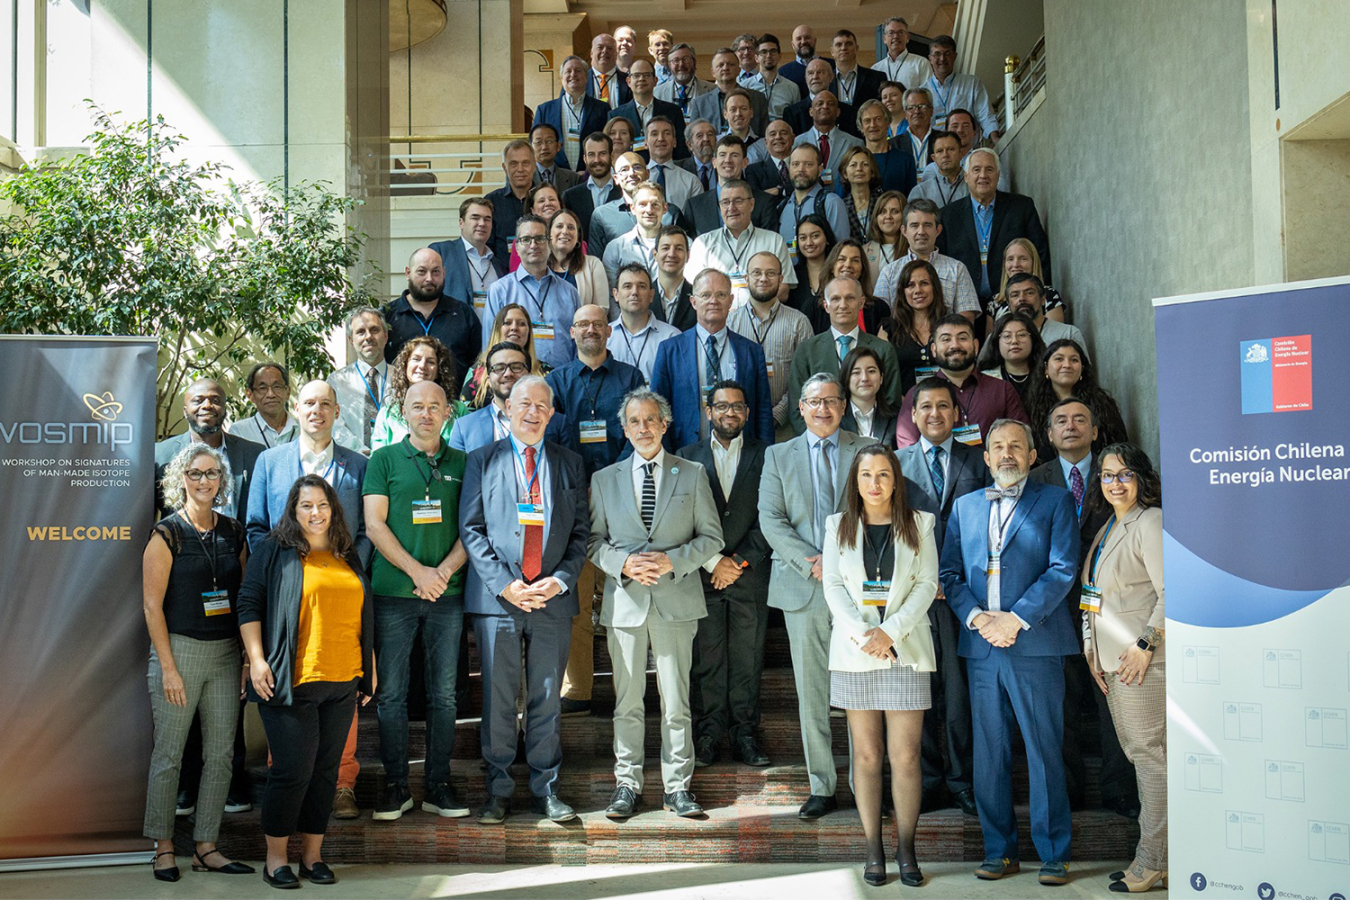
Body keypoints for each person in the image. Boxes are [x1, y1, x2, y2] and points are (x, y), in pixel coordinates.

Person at [940, 419, 1078, 886]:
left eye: (1015, 446)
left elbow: (1062, 570)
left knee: (1042, 751)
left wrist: (1014, 620)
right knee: (989, 752)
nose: (1006, 454)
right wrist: (980, 620)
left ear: (1032, 454)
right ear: (985, 456)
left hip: (1034, 644)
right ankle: (999, 851)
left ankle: (1054, 853)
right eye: (997, 446)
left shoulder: (1056, 501)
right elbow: (950, 574)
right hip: (981, 646)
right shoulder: (964, 507)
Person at [459, 376, 591, 825]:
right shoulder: (481, 460)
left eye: (541, 405)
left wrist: (560, 581)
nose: (532, 412)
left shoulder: (571, 463)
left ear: (551, 414)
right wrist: (504, 584)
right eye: (524, 404)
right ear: (507, 410)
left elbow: (580, 535)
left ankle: (546, 788)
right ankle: (497, 789)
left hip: (552, 598)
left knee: (547, 696)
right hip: (499, 599)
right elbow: (472, 531)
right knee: (498, 696)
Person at [590, 389, 724, 820]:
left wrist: (672, 561)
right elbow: (593, 542)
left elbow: (712, 539)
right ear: (624, 428)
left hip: (676, 600)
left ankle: (677, 786)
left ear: (665, 425)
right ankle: (626, 784)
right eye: (634, 421)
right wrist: (624, 562)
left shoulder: (693, 473)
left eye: (651, 420)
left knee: (676, 700)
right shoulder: (604, 479)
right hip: (626, 603)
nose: (643, 428)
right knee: (626, 701)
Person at [238, 475, 374, 889]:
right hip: (289, 681)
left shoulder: (346, 555)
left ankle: (313, 856)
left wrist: (370, 668)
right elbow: (248, 603)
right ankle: (276, 859)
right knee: (292, 771)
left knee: (325, 773)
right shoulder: (274, 551)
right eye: (306, 506)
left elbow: (362, 614)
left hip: (343, 680)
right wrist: (257, 660)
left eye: (322, 505)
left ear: (334, 509)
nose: (315, 513)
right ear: (292, 512)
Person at [245, 381, 371, 818]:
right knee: (288, 693)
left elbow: (363, 533)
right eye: (309, 403)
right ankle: (287, 779)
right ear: (296, 409)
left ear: (338, 412)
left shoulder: (359, 465)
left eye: (326, 404)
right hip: (286, 598)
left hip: (338, 597)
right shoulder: (269, 462)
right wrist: (285, 573)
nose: (317, 411)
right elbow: (257, 525)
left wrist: (348, 571)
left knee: (341, 687)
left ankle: (342, 784)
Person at [824, 444, 938, 887]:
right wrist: (864, 636)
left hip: (905, 651)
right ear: (856, 481)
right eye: (866, 475)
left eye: (884, 475)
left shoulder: (920, 523)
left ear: (896, 480)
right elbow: (833, 586)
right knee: (867, 755)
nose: (875, 483)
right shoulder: (838, 525)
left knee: (906, 756)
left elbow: (927, 584)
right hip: (856, 654)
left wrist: (890, 633)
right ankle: (873, 849)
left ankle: (906, 848)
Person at [760, 373, 872, 818]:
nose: (822, 408)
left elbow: (878, 510)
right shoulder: (777, 455)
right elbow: (771, 519)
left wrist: (844, 565)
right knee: (812, 691)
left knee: (862, 690)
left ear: (844, 407)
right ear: (800, 408)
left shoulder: (865, 449)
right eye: (813, 401)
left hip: (862, 589)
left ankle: (865, 782)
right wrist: (814, 561)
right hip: (803, 585)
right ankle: (822, 785)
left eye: (831, 401)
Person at [143, 444, 253, 883]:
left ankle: (207, 845)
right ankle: (164, 847)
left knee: (221, 755)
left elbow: (245, 598)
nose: (204, 480)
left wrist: (247, 658)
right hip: (180, 651)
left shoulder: (234, 532)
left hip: (227, 653)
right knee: (170, 754)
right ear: (179, 479)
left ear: (221, 481)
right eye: (194, 473)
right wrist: (168, 667)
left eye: (211, 473)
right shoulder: (166, 535)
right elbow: (152, 607)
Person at [364, 381, 471, 823]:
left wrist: (442, 573)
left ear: (449, 412)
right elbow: (374, 524)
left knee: (444, 696)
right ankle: (395, 786)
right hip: (394, 594)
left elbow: (475, 527)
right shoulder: (383, 459)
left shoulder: (465, 463)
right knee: (390, 694)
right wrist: (418, 572)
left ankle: (437, 785)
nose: (426, 413)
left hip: (448, 596)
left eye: (434, 406)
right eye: (417, 406)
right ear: (401, 413)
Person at [1030, 398, 1139, 819]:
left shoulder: (1114, 473)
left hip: (1110, 612)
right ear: (1050, 434)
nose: (1071, 426)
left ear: (1095, 431)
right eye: (1061, 420)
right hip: (1051, 613)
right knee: (1060, 709)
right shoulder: (1035, 478)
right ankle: (1069, 792)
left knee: (1112, 705)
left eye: (1080, 420)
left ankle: (1118, 791)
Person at [895, 376, 988, 817]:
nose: (934, 414)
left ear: (956, 413)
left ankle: (961, 780)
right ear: (913, 415)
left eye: (943, 407)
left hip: (963, 597)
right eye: (925, 407)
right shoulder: (895, 464)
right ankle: (929, 780)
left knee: (958, 693)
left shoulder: (979, 461)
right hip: (913, 600)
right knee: (919, 691)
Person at [546, 305, 646, 717]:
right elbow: (551, 434)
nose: (590, 330)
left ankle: (633, 689)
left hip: (623, 495)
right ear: (572, 332)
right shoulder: (556, 380)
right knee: (579, 596)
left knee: (626, 598)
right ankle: (579, 690)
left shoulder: (630, 377)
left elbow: (639, 429)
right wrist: (579, 482)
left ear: (609, 330)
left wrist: (610, 478)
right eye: (582, 324)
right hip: (572, 501)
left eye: (597, 324)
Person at [1083, 443, 1167, 895]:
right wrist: (1091, 651)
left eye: (1125, 474)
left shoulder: (1149, 522)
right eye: (1107, 475)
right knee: (1143, 756)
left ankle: (1152, 859)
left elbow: (1171, 592)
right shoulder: (1109, 527)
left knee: (1150, 758)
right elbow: (1094, 598)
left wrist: (1145, 645)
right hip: (1113, 665)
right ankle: (1165, 856)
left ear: (1142, 478)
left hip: (1141, 665)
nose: (1115, 483)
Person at [678, 380, 773, 768]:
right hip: (703, 575)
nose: (729, 413)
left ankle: (745, 734)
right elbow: (681, 518)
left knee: (749, 658)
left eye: (737, 406)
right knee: (707, 658)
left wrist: (739, 561)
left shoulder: (769, 455)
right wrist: (713, 561)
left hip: (749, 574)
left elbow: (774, 516)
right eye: (722, 406)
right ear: (709, 411)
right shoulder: (686, 456)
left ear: (748, 413)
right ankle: (708, 734)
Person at [649, 268, 774, 450]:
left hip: (741, 453)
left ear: (731, 301)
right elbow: (658, 409)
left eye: (721, 295)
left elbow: (762, 411)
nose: (713, 301)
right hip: (685, 452)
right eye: (705, 295)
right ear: (693, 301)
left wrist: (765, 456)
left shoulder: (751, 351)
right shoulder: (670, 350)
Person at [786, 275, 903, 434]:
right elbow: (796, 407)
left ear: (861, 303)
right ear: (826, 305)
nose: (843, 305)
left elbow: (892, 404)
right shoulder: (807, 350)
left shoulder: (882, 349)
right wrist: (818, 442)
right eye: (835, 299)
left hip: (872, 443)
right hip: (822, 443)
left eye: (850, 298)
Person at [894, 314, 1028, 448]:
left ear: (976, 346)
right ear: (934, 350)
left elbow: (1021, 439)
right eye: (946, 339)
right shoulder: (918, 394)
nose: (955, 345)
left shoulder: (1002, 390)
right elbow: (909, 452)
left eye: (962, 338)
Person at [938, 149, 1051, 303]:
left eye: (989, 169)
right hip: (966, 304)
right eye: (976, 170)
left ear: (997, 176)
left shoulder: (1021, 207)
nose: (983, 175)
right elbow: (943, 262)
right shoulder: (948, 215)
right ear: (966, 176)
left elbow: (1040, 254)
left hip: (1012, 301)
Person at [727, 251, 815, 441]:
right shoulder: (730, 323)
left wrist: (776, 415)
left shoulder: (799, 322)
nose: (763, 279)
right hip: (739, 427)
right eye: (756, 273)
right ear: (746, 278)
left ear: (781, 278)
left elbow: (806, 378)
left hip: (786, 429)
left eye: (771, 273)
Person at [482, 214, 583, 370]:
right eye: (526, 239)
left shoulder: (570, 292)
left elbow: (578, 344)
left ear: (549, 244)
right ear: (516, 246)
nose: (533, 245)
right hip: (515, 381)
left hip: (562, 382)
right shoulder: (500, 291)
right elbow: (490, 343)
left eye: (540, 239)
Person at [155, 379, 262, 521]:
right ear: (185, 411)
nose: (207, 406)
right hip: (179, 541)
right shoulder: (160, 454)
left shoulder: (254, 454)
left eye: (215, 400)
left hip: (238, 541)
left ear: (225, 409)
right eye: (198, 400)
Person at [684, 178, 795, 307]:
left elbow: (783, 290)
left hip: (762, 320)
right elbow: (698, 291)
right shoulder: (703, 244)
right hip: (719, 323)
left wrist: (747, 314)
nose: (731, 208)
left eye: (738, 201)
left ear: (752, 204)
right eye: (725, 202)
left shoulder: (774, 241)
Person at [384, 247, 481, 387]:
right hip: (402, 403)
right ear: (408, 273)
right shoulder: (388, 316)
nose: (429, 279)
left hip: (454, 405)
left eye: (435, 272)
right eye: (422, 271)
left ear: (444, 273)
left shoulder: (463, 314)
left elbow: (477, 365)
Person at [875, 198, 981, 322]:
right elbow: (879, 318)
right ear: (904, 231)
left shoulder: (957, 269)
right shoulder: (889, 272)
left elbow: (966, 318)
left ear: (938, 230)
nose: (921, 232)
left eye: (927, 225)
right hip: (899, 339)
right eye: (914, 225)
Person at [1024, 338, 1129, 462]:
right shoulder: (1031, 407)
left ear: (1082, 368)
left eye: (1074, 360)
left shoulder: (1102, 403)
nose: (1067, 365)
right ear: (1046, 368)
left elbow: (1119, 446)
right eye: (1059, 359)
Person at [590, 151, 694, 259]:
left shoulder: (670, 213)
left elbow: (685, 254)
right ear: (616, 179)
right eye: (624, 170)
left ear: (648, 173)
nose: (631, 173)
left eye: (637, 167)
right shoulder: (602, 215)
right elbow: (597, 260)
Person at [372, 336, 465, 451]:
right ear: (405, 366)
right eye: (416, 359)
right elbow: (378, 460)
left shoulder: (459, 411)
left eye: (430, 362)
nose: (422, 366)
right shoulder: (387, 415)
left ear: (438, 371)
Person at [683, 136, 779, 237]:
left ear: (745, 162)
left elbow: (769, 244)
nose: (728, 160)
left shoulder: (765, 202)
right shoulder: (694, 206)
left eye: (734, 155)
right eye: (722, 155)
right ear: (714, 162)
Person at [460, 303, 552, 409]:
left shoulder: (546, 372)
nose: (514, 328)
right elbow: (465, 415)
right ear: (497, 329)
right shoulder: (476, 373)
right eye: (507, 323)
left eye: (521, 324)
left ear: (529, 331)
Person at [880, 259, 949, 394]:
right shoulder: (888, 329)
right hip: (902, 406)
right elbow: (881, 375)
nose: (918, 290)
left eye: (924, 283)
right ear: (903, 291)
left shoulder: (949, 324)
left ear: (934, 287)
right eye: (910, 285)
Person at [429, 197, 507, 317]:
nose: (482, 223)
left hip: (493, 334)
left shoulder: (498, 265)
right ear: (461, 223)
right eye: (475, 218)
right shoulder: (442, 252)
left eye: (487, 219)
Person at [329, 307, 391, 456]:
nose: (368, 337)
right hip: (350, 460)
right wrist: (359, 451)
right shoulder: (336, 381)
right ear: (351, 340)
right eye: (360, 332)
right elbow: (333, 424)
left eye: (374, 330)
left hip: (393, 461)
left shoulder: (402, 379)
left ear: (386, 336)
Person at [607, 262, 682, 380]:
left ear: (651, 295)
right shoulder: (605, 337)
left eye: (641, 286)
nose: (634, 292)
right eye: (627, 286)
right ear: (615, 294)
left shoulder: (672, 337)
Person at [535, 57, 610, 171]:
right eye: (568, 71)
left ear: (586, 77)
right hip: (556, 176)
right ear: (562, 78)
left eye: (578, 71)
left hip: (590, 174)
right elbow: (535, 145)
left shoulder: (602, 109)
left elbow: (607, 144)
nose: (573, 75)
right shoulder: (544, 110)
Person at [778, 143, 851, 258]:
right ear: (789, 168)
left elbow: (842, 251)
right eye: (795, 164)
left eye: (808, 164)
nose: (801, 170)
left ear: (820, 169)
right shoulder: (782, 207)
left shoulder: (831, 203)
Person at [984, 237, 1068, 331]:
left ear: (1033, 262)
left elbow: (1055, 336)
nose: (1015, 264)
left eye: (1023, 259)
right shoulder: (994, 302)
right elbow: (991, 342)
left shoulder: (1049, 295)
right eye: (1010, 259)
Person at [610, 60, 688, 159]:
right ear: (628, 81)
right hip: (630, 169)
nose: (641, 79)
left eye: (646, 75)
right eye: (636, 75)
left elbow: (681, 150)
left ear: (655, 80)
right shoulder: (616, 115)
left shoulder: (673, 112)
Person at [924, 36, 999, 137]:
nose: (942, 59)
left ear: (955, 56)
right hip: (935, 149)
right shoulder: (923, 91)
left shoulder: (972, 83)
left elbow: (985, 115)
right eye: (937, 54)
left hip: (967, 148)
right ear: (930, 59)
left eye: (947, 54)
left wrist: (995, 139)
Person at [688, 49, 770, 137]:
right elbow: (693, 137)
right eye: (720, 65)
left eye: (730, 64)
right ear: (713, 72)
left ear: (739, 70)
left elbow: (764, 135)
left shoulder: (757, 98)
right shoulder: (699, 103)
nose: (725, 68)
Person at [791, 90, 864, 188]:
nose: (825, 106)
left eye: (831, 104)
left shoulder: (854, 143)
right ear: (811, 112)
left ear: (838, 112)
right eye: (820, 103)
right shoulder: (797, 143)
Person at [602, 180, 667, 287]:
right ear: (632, 208)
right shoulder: (616, 248)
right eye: (642, 204)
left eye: (655, 204)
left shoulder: (684, 245)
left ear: (665, 208)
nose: (649, 210)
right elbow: (612, 293)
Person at [484, 140, 540, 260]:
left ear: (534, 165)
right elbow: (486, 246)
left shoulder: (545, 199)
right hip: (501, 274)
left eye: (525, 163)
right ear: (504, 167)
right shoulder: (491, 201)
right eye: (513, 164)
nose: (520, 169)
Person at [560, 132, 622, 239]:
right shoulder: (571, 197)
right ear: (585, 158)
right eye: (591, 154)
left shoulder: (624, 193)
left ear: (611, 156)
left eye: (602, 153)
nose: (597, 160)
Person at [977, 311, 1046, 403]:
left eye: (1021, 335)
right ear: (997, 342)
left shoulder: (1046, 375)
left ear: (1033, 339)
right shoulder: (985, 379)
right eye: (1007, 336)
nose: (1014, 341)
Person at [822, 238, 890, 331]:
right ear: (832, 267)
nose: (848, 265)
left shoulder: (879, 308)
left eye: (855, 260)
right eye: (841, 259)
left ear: (862, 269)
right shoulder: (813, 308)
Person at [546, 207, 608, 308]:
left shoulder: (593, 265)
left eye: (571, 227)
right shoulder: (539, 266)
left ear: (578, 237)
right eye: (559, 226)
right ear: (549, 234)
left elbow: (602, 308)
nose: (565, 231)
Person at [786, 213, 838, 333]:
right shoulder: (793, 275)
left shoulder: (838, 273)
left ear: (827, 238)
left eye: (815, 236)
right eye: (803, 238)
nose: (809, 243)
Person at [855, 101, 919, 197]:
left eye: (878, 119)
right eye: (867, 121)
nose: (873, 125)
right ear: (861, 127)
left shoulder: (905, 159)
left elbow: (911, 200)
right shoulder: (852, 161)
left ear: (888, 123)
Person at [1006, 273, 1086, 348]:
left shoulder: (1068, 334)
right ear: (1008, 304)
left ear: (1043, 299)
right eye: (1015, 295)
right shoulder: (1002, 340)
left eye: (1029, 293)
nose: (1022, 299)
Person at [784, 59, 858, 140]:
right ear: (806, 79)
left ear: (831, 77)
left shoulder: (849, 113)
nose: (815, 77)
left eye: (820, 72)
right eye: (811, 73)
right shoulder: (792, 113)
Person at [839, 346, 898, 446]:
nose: (864, 378)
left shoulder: (896, 417)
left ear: (881, 378)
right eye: (856, 372)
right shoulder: (836, 418)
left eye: (871, 371)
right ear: (846, 378)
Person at [228, 363, 297, 448]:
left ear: (288, 392)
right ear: (250, 395)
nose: (271, 394)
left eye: (277, 387)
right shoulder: (239, 432)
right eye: (262, 388)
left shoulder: (305, 430)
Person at [641, 116, 701, 208]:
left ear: (674, 142)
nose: (661, 138)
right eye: (654, 134)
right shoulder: (637, 179)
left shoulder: (691, 181)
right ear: (645, 143)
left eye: (667, 133)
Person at [744, 33, 801, 119]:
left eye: (773, 51)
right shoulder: (745, 86)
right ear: (756, 58)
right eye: (763, 52)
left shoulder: (792, 88)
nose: (768, 56)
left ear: (780, 56)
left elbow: (796, 119)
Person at [652, 225, 697, 329]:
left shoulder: (699, 296)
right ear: (655, 255)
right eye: (665, 248)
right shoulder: (643, 296)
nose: (672, 254)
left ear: (688, 256)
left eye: (679, 248)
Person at [828, 29, 885, 108]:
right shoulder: (826, 80)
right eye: (839, 44)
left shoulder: (876, 78)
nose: (844, 48)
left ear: (856, 49)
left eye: (848, 44)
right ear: (832, 52)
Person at [908, 130, 967, 206]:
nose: (945, 155)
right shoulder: (921, 192)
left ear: (961, 153)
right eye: (940, 151)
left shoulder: (974, 186)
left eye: (951, 149)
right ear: (934, 158)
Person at [863, 190, 907, 291]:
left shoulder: (914, 249)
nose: (888, 216)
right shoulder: (864, 251)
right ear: (876, 217)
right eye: (883, 212)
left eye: (895, 211)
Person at [834, 146, 880, 242]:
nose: (859, 169)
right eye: (853, 165)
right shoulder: (841, 206)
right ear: (845, 174)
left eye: (865, 164)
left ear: (872, 172)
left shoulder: (882, 201)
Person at [654, 43, 715, 114]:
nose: (681, 64)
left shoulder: (712, 90)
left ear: (694, 62)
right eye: (676, 60)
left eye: (686, 59)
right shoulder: (657, 93)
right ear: (669, 65)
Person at [873, 17, 932, 89]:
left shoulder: (921, 63)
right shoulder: (876, 69)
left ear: (907, 37)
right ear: (884, 39)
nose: (895, 36)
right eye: (891, 33)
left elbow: (928, 94)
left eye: (900, 33)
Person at [779, 24, 834, 96]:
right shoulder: (783, 73)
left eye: (807, 37)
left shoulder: (832, 66)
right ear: (793, 45)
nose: (803, 42)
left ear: (815, 41)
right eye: (798, 39)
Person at [745, 119, 795, 196]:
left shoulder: (804, 165)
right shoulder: (754, 171)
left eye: (783, 133)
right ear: (766, 142)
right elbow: (756, 200)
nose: (778, 137)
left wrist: (780, 190)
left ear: (793, 139)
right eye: (773, 134)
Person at [530, 123, 581, 192]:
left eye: (549, 141)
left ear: (558, 146)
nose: (544, 147)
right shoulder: (525, 176)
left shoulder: (573, 178)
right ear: (531, 148)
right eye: (539, 142)